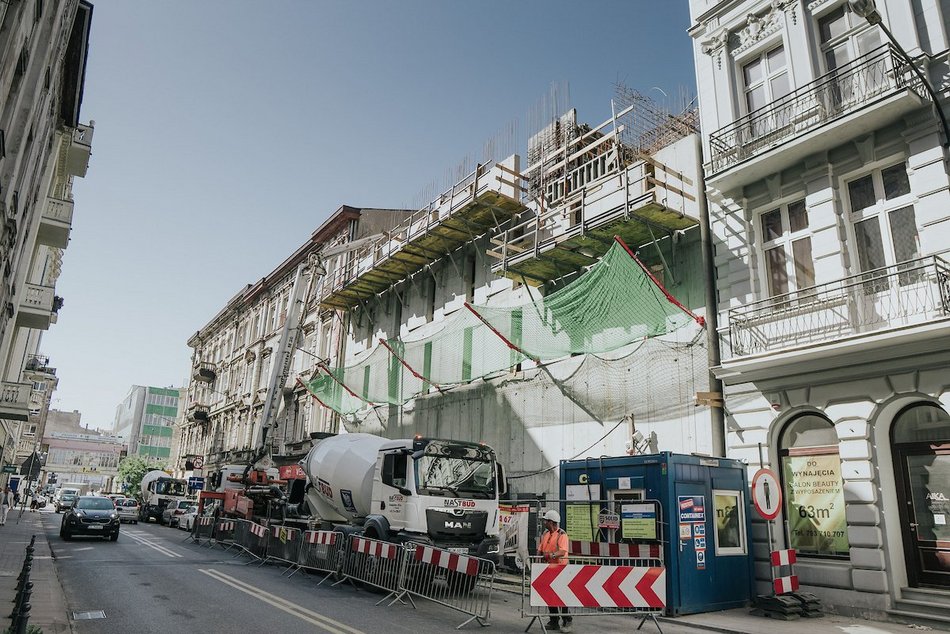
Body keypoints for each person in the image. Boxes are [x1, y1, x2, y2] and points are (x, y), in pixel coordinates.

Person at [538, 509, 572, 633]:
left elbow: (562, 551)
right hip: (549, 568)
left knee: (561, 596)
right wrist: (538, 559)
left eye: (546, 521)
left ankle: (567, 620)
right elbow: (540, 548)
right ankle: (554, 621)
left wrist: (551, 555)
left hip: (560, 569)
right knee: (549, 595)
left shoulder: (562, 535)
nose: (544, 522)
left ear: (551, 522)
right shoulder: (546, 534)